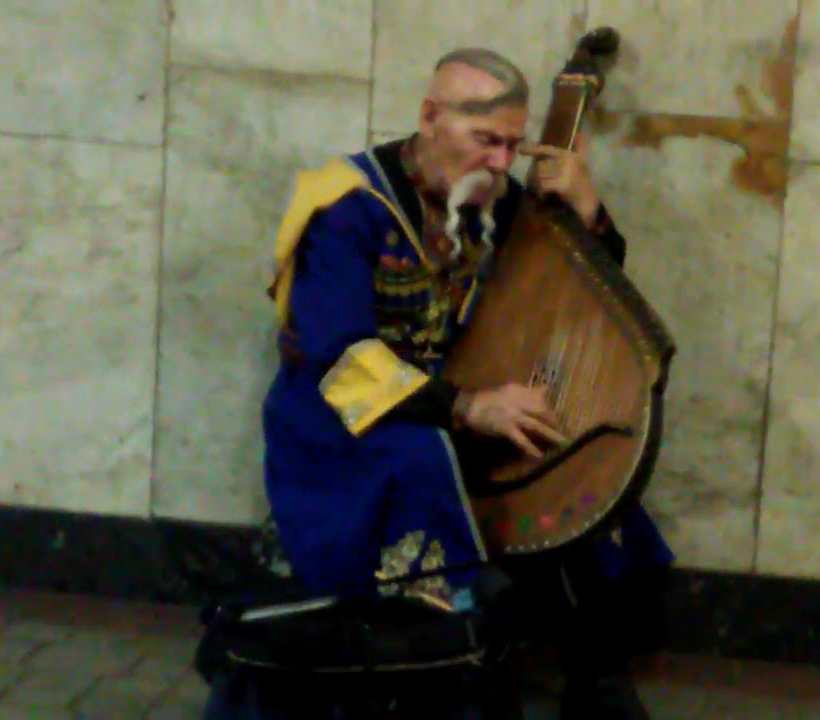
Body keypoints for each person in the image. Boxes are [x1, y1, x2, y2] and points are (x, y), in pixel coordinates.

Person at [203, 47, 674, 719]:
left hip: (453, 403)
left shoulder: (493, 199)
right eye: (485, 140)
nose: (500, 163)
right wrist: (469, 409)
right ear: (430, 117)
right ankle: (447, 680)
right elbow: (341, 356)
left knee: (571, 463)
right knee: (423, 460)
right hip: (341, 421)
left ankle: (592, 669)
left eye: (512, 145)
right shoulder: (346, 207)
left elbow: (580, 287)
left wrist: (590, 212)